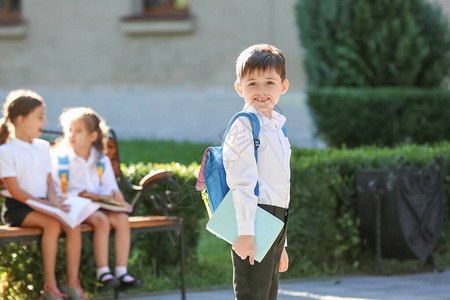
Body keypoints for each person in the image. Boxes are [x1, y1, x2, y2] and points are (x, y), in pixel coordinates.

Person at [0, 90, 84, 300]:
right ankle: (50, 287)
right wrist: (50, 208)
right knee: (53, 224)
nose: (44, 121)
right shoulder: (6, 151)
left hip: (45, 205)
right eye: (39, 116)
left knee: (73, 223)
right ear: (20, 119)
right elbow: (16, 192)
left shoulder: (43, 146)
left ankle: (72, 283)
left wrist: (55, 201)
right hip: (19, 208)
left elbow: (49, 183)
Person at [223, 44, 291, 300]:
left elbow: (281, 190)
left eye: (270, 83)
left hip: (275, 222)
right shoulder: (244, 125)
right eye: (252, 84)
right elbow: (241, 183)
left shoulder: (277, 127)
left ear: (283, 87)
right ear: (240, 87)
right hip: (254, 221)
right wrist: (245, 233)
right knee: (252, 294)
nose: (261, 91)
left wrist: (282, 245)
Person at [51, 107, 141, 293]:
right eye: (69, 130)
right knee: (101, 220)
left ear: (92, 136)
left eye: (78, 131)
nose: (71, 135)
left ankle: (121, 272)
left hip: (97, 206)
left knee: (122, 219)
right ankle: (103, 273)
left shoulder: (101, 160)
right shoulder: (61, 159)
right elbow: (57, 190)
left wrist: (115, 196)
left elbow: (110, 188)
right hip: (73, 206)